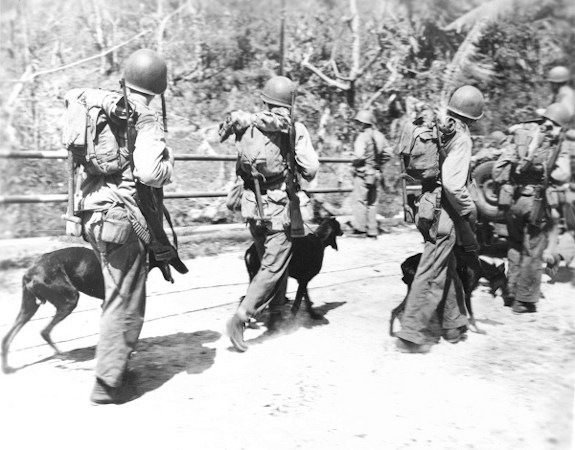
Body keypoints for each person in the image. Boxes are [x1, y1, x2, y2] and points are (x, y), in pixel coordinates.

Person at [68, 49, 175, 404]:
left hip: (92, 214)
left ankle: (114, 362)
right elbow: (148, 172)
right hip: (122, 218)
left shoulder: (101, 106)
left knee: (116, 292)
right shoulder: (143, 117)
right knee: (125, 299)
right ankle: (109, 381)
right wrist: (167, 166)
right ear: (158, 86)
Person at [223, 75, 319, 352]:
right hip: (278, 206)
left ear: (264, 100)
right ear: (289, 104)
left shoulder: (246, 124)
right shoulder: (294, 128)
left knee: (271, 261)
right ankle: (241, 317)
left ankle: (277, 315)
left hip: (252, 205)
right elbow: (310, 170)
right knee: (273, 266)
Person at [395, 85, 484, 353]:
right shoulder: (461, 137)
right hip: (443, 214)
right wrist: (469, 210)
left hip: (427, 207)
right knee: (431, 271)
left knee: (446, 265)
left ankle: (454, 324)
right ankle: (410, 333)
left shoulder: (441, 128)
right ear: (474, 115)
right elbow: (454, 185)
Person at [493, 103, 572, 313]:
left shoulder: (523, 131)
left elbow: (497, 169)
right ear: (560, 125)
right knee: (533, 249)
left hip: (512, 200)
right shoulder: (556, 143)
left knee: (515, 243)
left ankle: (510, 292)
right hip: (535, 202)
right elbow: (562, 174)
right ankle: (523, 300)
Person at [348, 110, 392, 238]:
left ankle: (360, 227)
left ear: (363, 123)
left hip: (363, 173)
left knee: (360, 200)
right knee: (373, 203)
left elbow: (359, 155)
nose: (358, 125)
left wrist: (354, 159)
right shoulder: (380, 135)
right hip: (376, 173)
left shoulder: (362, 137)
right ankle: (372, 229)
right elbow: (388, 153)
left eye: (359, 122)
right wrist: (378, 163)